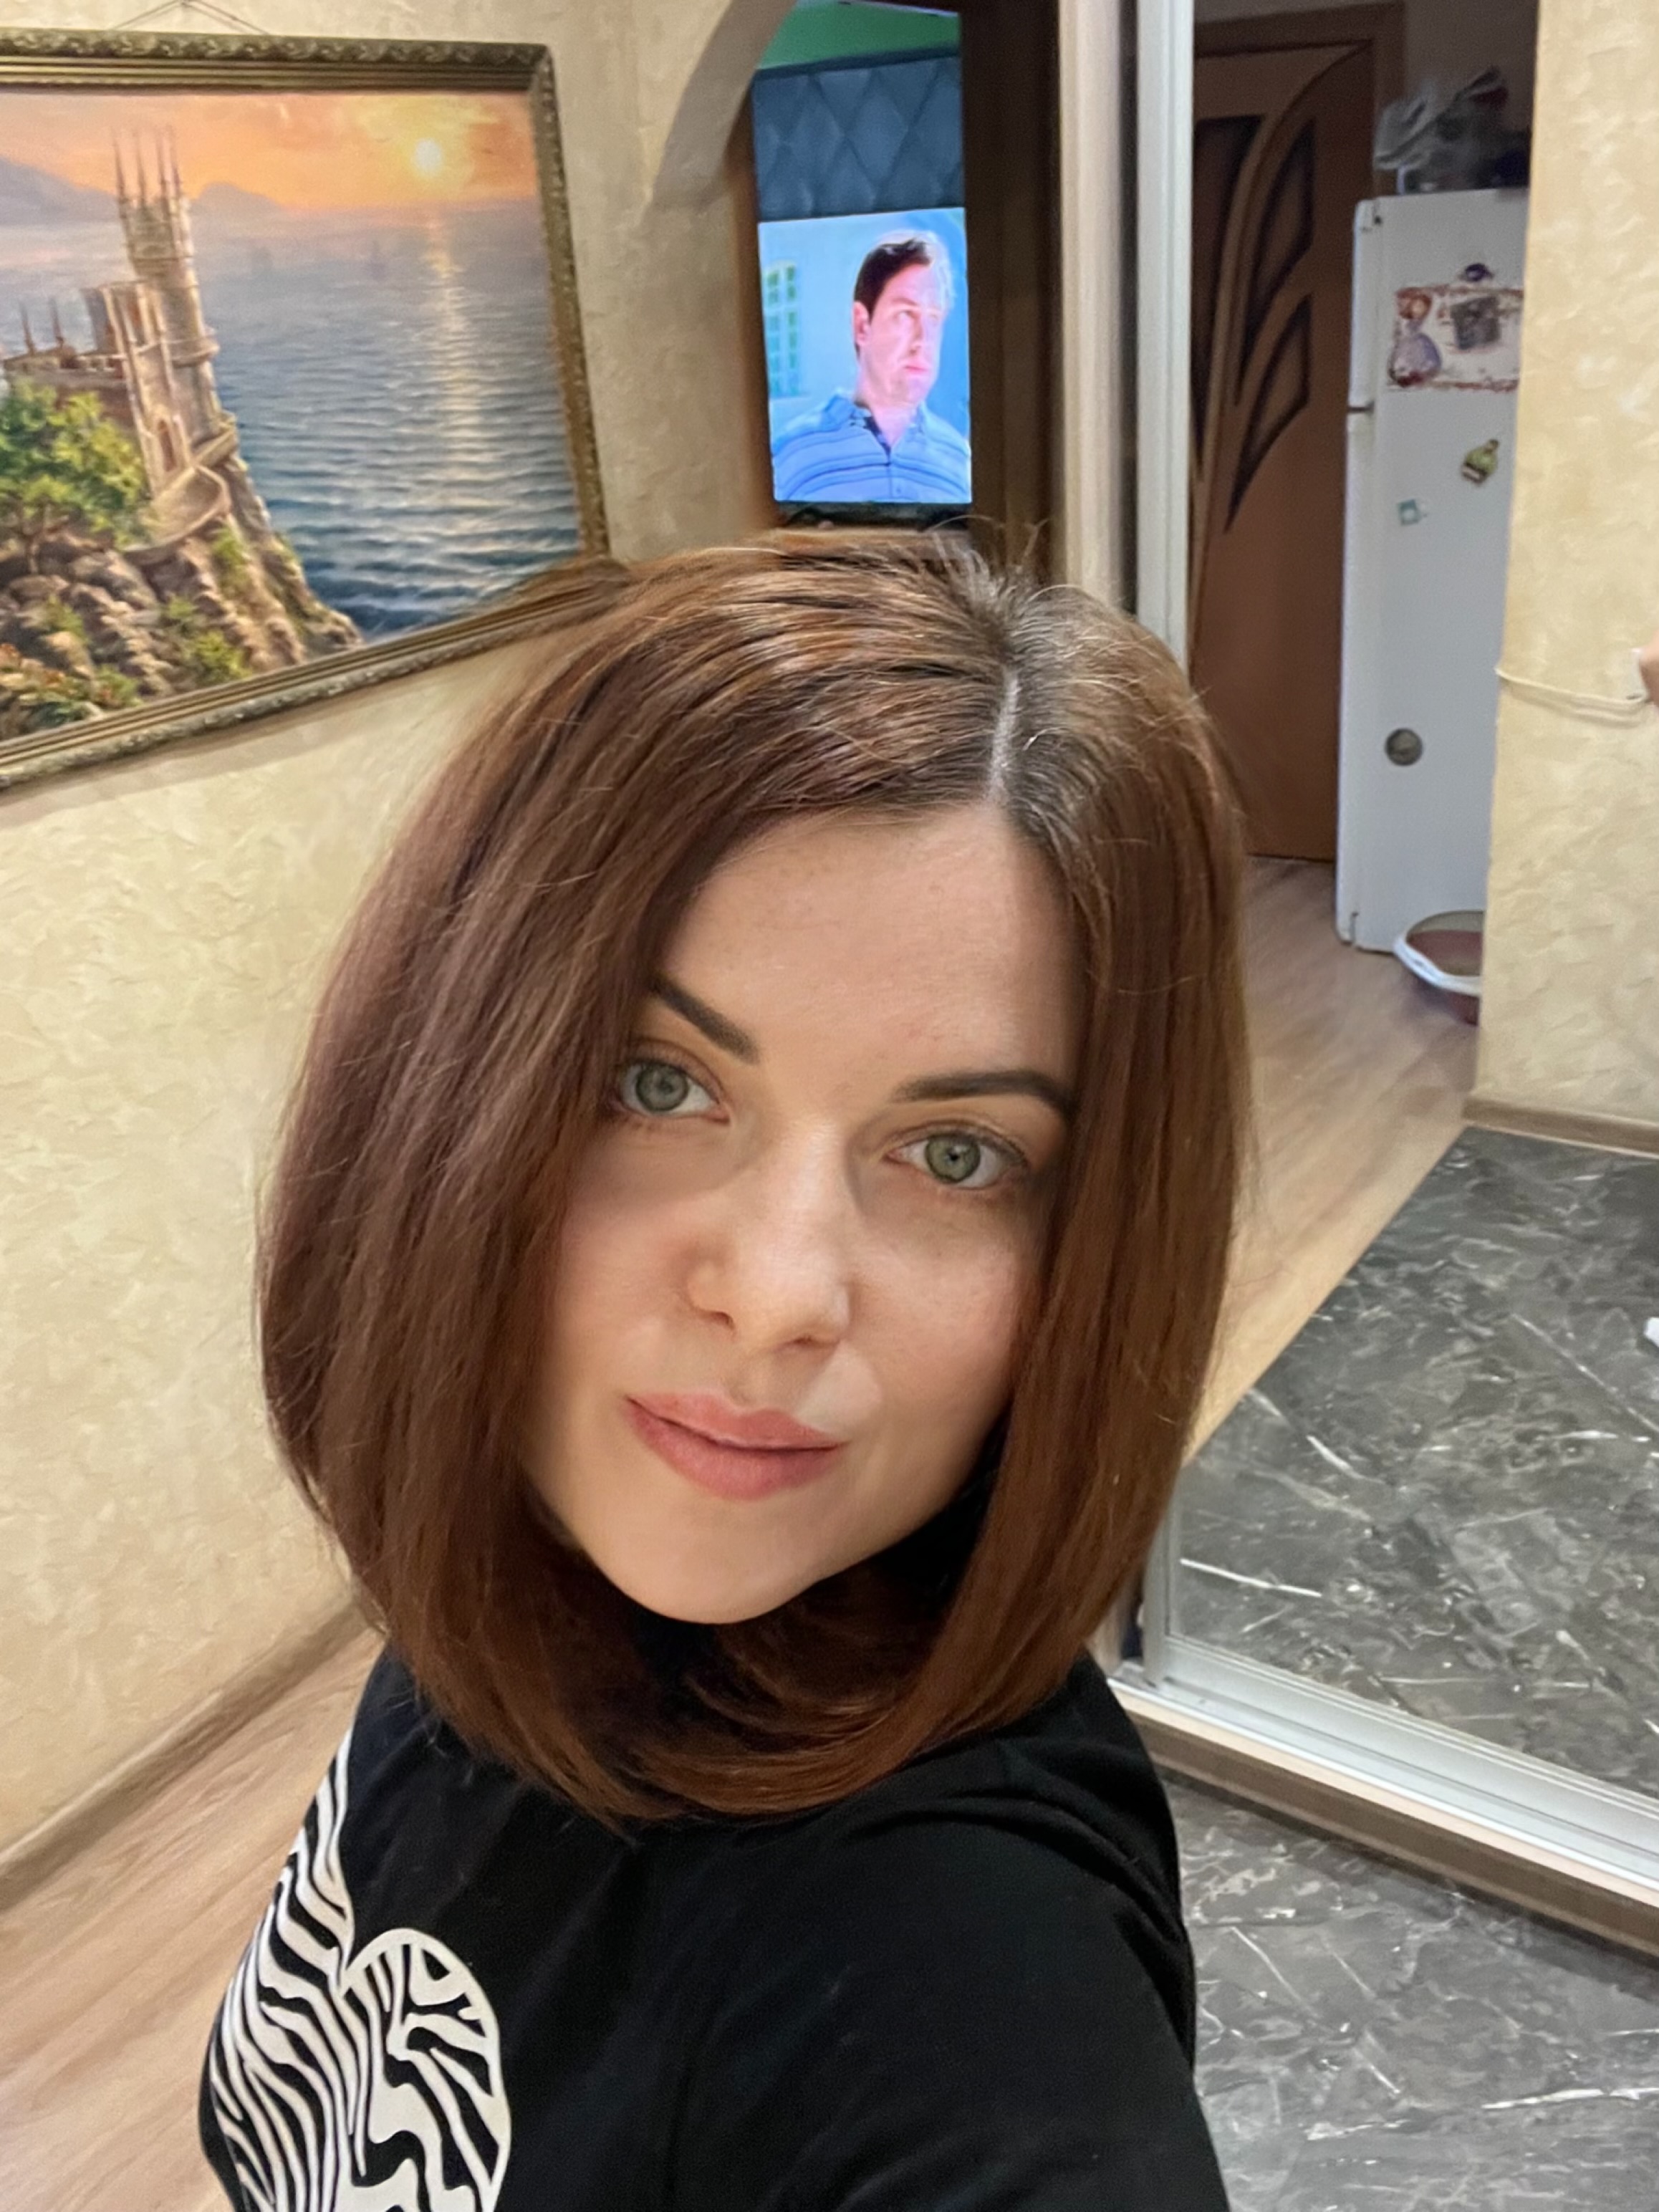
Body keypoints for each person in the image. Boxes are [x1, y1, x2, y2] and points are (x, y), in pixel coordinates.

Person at [198, 533, 1244, 2211]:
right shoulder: (534, 1555)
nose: (772, 1299)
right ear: (444, 1078)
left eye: (957, 1155)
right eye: (654, 1081)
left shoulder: (968, 1976)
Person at [771, 232, 973, 504]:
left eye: (934, 318)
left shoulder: (960, 463)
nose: (923, 340)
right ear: (862, 326)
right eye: (905, 315)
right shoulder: (790, 457)